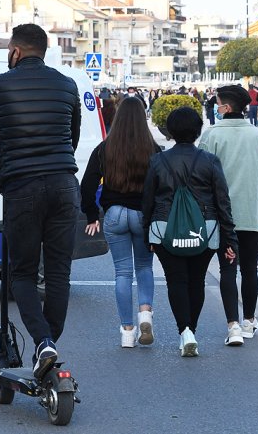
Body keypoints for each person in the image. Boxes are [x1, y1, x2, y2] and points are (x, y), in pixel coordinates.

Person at [0, 23, 81, 379]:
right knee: (58, 273)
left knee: (21, 272)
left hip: (22, 190)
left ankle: (43, 343)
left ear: (15, 52)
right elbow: (73, 138)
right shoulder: (67, 86)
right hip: (65, 186)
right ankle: (48, 343)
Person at [142, 106, 238, 357]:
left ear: (170, 131)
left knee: (176, 280)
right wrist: (229, 238)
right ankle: (190, 330)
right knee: (197, 281)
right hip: (204, 230)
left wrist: (147, 235)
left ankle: (184, 331)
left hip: (164, 229)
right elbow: (222, 202)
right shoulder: (210, 161)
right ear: (198, 131)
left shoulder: (158, 160)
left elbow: (148, 201)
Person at [80, 97, 162, 348]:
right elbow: (162, 188)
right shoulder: (154, 149)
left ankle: (127, 331)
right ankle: (145, 313)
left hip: (114, 214)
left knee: (122, 272)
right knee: (145, 268)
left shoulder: (105, 149)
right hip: (143, 216)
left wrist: (92, 215)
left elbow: (87, 186)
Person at [199, 85, 258, 346]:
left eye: (217, 103)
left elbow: (202, 178)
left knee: (227, 269)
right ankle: (249, 320)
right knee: (250, 269)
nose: (215, 107)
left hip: (223, 217)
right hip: (253, 213)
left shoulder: (211, 136)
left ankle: (232, 325)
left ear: (227, 107)